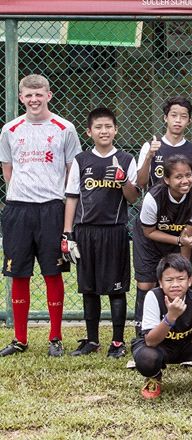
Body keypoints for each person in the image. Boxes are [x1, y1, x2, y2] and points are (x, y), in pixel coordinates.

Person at [0, 74, 81, 358]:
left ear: (49, 95)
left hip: (52, 208)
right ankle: (20, 339)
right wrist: (23, 192)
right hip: (18, 208)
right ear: (21, 97)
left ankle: (55, 337)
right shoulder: (10, 129)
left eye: (39, 94)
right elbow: (8, 169)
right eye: (28, 95)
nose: (34, 100)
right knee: (18, 273)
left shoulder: (65, 128)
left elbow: (72, 171)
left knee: (52, 272)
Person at [63, 107, 139, 358]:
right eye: (98, 127)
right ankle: (92, 340)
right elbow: (72, 197)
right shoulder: (81, 160)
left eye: (108, 126)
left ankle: (117, 342)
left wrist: (123, 181)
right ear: (89, 132)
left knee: (116, 289)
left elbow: (133, 197)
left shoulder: (126, 159)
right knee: (89, 288)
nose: (104, 131)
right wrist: (67, 232)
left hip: (114, 231)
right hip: (85, 232)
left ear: (116, 129)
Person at [132, 254, 192, 399]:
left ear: (190, 280)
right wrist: (170, 317)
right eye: (169, 280)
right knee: (146, 358)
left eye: (181, 279)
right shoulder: (153, 296)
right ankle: (154, 378)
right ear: (160, 282)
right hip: (160, 346)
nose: (175, 284)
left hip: (187, 344)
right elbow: (151, 341)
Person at [133, 155, 192, 336]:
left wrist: (184, 268)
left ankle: (180, 332)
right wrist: (178, 241)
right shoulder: (153, 197)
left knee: (179, 282)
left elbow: (188, 233)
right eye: (178, 177)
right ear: (166, 179)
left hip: (179, 238)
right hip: (149, 240)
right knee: (146, 284)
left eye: (188, 175)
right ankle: (142, 334)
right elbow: (149, 232)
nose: (185, 181)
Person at [136, 96, 192, 189]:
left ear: (189, 121)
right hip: (156, 198)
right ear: (165, 118)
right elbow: (141, 184)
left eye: (183, 116)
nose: (178, 120)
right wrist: (149, 157)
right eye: (174, 115)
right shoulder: (149, 146)